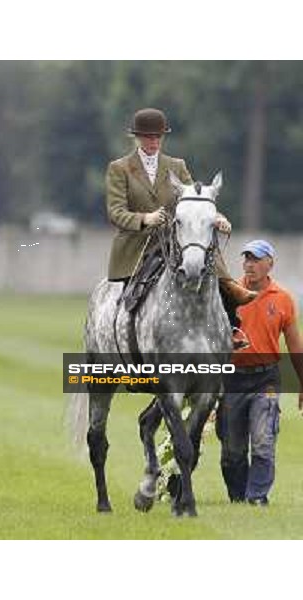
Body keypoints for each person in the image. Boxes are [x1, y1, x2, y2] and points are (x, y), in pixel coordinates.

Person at [105, 107, 256, 312]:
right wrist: (145, 218)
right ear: (137, 137)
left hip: (173, 237)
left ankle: (228, 290)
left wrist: (218, 218)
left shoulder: (177, 165)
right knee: (130, 302)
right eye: (149, 137)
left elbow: (196, 200)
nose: (154, 142)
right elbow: (116, 212)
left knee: (204, 240)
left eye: (158, 137)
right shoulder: (119, 168)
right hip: (137, 244)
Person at [217, 239, 303, 506]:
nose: (249, 265)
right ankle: (238, 497)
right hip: (232, 379)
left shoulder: (283, 299)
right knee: (233, 451)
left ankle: (257, 498)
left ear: (270, 264)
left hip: (266, 379)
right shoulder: (229, 292)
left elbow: (295, 344)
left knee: (264, 443)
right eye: (246, 259)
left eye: (256, 259)